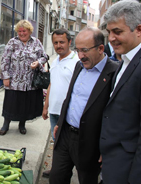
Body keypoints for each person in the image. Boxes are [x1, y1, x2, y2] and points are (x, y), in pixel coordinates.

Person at [49, 27, 119, 184]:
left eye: (85, 50)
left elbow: (117, 114)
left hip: (90, 141)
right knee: (56, 178)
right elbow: (70, 98)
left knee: (87, 180)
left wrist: (106, 146)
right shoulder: (79, 65)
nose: (80, 56)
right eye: (78, 50)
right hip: (65, 135)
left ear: (101, 48)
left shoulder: (114, 73)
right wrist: (60, 124)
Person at [100, 0, 141, 184]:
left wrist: (137, 179)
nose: (111, 38)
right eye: (109, 32)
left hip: (129, 170)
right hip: (114, 162)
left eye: (117, 32)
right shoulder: (127, 57)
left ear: (139, 29)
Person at [42, 28, 79, 178]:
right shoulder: (55, 61)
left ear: (69, 42)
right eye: (55, 43)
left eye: (62, 42)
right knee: (56, 142)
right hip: (54, 112)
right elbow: (51, 84)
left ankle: (67, 169)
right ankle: (57, 168)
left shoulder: (77, 62)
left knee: (70, 145)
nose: (58, 45)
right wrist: (46, 107)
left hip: (69, 114)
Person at [0, 19, 48, 135]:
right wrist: (5, 77)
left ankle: (22, 124)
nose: (21, 33)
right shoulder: (12, 42)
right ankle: (6, 124)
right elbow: (4, 60)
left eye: (24, 31)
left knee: (25, 104)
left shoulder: (36, 42)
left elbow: (44, 56)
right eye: (19, 31)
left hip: (30, 81)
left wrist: (38, 62)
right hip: (14, 81)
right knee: (11, 103)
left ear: (29, 31)